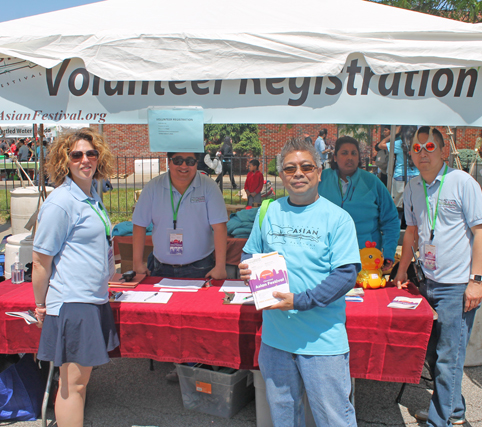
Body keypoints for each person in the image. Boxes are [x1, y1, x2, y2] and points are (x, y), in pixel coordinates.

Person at [239, 138, 360, 427]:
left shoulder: (338, 219)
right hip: (276, 340)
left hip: (322, 342)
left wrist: (300, 301)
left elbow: (346, 275)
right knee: (284, 418)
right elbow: (249, 253)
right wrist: (246, 269)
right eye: (290, 168)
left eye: (306, 167)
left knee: (334, 419)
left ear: (319, 172)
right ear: (281, 175)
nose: (298, 174)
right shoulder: (268, 212)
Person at [394, 126, 482, 427]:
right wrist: (400, 271)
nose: (423, 153)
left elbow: (481, 231)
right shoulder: (412, 187)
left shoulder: (462, 182)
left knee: (449, 358)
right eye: (417, 148)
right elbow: (411, 233)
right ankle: (454, 410)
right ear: (410, 154)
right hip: (427, 283)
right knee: (434, 355)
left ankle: (441, 420)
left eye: (430, 147)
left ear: (444, 150)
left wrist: (476, 280)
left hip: (457, 286)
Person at [32, 128, 119, 427]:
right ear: (64, 160)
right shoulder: (60, 202)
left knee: (79, 383)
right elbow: (40, 261)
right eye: (77, 155)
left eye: (91, 153)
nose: (85, 160)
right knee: (73, 386)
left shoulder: (91, 196)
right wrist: (40, 304)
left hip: (91, 299)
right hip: (72, 303)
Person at [132, 151, 229, 380]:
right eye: (178, 160)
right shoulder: (154, 187)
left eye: (190, 161)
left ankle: (191, 364)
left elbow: (220, 227)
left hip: (199, 266)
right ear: (168, 162)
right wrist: (137, 262)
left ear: (197, 163)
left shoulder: (208, 187)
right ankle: (174, 358)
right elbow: (138, 225)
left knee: (195, 320)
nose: (183, 166)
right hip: (161, 267)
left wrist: (221, 266)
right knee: (165, 319)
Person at [319, 136, 400, 269]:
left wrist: (389, 253)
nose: (349, 157)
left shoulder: (372, 182)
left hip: (365, 259)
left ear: (359, 158)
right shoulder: (320, 180)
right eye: (344, 153)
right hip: (326, 258)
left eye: (354, 153)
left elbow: (391, 220)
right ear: (335, 157)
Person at [378, 125, 420, 212]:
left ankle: (400, 224)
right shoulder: (418, 144)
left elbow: (380, 145)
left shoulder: (399, 143)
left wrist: (394, 134)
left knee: (398, 206)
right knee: (415, 205)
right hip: (416, 175)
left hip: (400, 176)